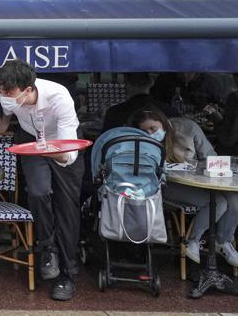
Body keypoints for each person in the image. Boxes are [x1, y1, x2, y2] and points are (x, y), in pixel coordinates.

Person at [0, 59, 83, 301]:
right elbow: (7, 106)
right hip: (31, 138)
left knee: (66, 206)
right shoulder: (6, 91)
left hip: (61, 144)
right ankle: (47, 248)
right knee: (39, 192)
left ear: (29, 89)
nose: (4, 96)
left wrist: (51, 151)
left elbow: (69, 155)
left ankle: (68, 275)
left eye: (9, 93)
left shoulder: (59, 98)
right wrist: (5, 118)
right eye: (1, 91)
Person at [127, 107, 238, 266]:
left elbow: (210, 156)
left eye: (154, 128)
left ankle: (224, 241)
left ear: (163, 122)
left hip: (200, 181)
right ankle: (192, 240)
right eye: (146, 131)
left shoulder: (188, 128)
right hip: (170, 185)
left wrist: (204, 167)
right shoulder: (143, 142)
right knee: (218, 203)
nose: (151, 134)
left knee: (234, 199)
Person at [100, 72, 180, 133]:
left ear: (126, 84)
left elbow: (104, 141)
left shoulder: (113, 112)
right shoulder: (171, 112)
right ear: (151, 83)